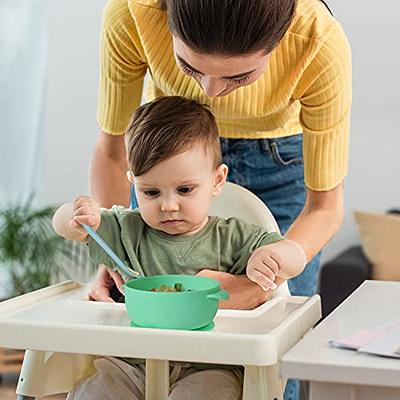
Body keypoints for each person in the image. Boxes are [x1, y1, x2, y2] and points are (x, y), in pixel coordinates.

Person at [89, 0, 351, 398]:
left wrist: (263, 283)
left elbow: (325, 206)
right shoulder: (132, 12)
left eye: (241, 75)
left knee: (278, 336)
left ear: (280, 41)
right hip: (168, 158)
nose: (210, 93)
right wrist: (115, 253)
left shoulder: (317, 42)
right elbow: (113, 152)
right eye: (189, 67)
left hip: (280, 161)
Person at [53, 96, 307, 400]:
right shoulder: (125, 228)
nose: (168, 205)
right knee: (93, 393)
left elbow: (296, 257)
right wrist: (78, 214)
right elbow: (63, 225)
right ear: (133, 183)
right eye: (150, 191)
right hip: (131, 363)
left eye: (185, 190)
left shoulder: (233, 235)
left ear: (217, 180)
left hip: (210, 366)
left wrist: (274, 258)